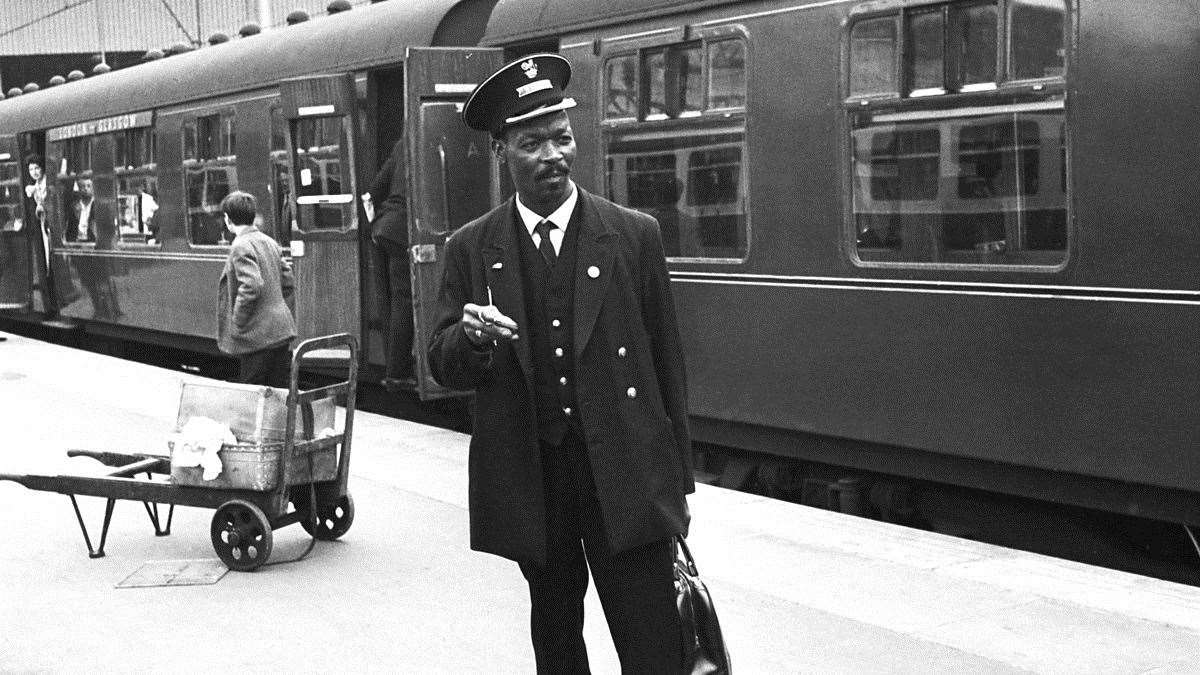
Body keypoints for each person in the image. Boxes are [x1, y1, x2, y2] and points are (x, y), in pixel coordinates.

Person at [428, 54, 694, 673]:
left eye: (561, 138)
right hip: (534, 483)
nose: (552, 154)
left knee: (653, 641)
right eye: (531, 143)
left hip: (626, 476)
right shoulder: (471, 248)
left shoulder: (634, 235)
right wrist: (469, 339)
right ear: (501, 152)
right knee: (556, 639)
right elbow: (440, 363)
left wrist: (678, 485)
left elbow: (666, 366)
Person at [216, 191, 297, 388]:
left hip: (257, 336)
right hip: (280, 331)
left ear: (228, 219)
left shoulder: (241, 245)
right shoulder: (269, 242)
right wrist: (276, 311)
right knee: (279, 392)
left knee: (253, 393)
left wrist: (239, 320)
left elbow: (251, 285)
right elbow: (288, 282)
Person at [364, 135, 415, 390]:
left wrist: (372, 224)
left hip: (384, 228)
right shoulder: (423, 135)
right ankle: (398, 373)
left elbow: (372, 191)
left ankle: (395, 367)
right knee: (404, 301)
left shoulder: (402, 142)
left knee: (393, 302)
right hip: (402, 230)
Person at [23, 154, 55, 313]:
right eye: (31, 169)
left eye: (37, 168)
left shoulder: (47, 183)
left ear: (42, 168)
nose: (34, 172)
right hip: (43, 224)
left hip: (52, 225)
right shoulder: (35, 185)